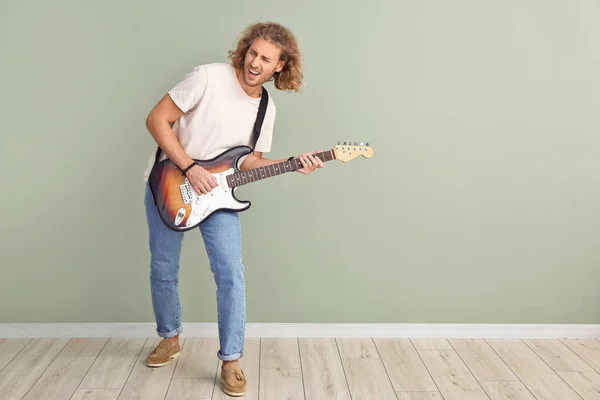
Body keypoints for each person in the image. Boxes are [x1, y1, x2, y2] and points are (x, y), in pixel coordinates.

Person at [140, 21, 323, 397]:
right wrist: (190, 169)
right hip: (170, 185)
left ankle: (231, 360)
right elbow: (157, 120)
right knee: (163, 267)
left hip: (218, 194)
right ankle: (169, 338)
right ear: (245, 50)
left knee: (230, 274)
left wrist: (291, 162)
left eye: (266, 59)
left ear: (280, 67)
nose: (255, 63)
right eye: (252, 53)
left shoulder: (265, 108)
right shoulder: (207, 77)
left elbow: (250, 161)